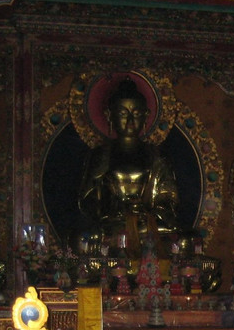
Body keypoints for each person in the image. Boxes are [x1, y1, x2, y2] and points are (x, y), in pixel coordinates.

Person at [78, 77, 184, 265]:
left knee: (183, 241)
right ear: (109, 115)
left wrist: (146, 213)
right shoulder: (100, 155)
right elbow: (88, 199)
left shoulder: (156, 155)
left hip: (148, 226)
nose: (130, 120)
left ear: (146, 115)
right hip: (113, 225)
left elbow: (168, 197)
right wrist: (116, 211)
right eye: (123, 113)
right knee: (85, 238)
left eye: (136, 113)